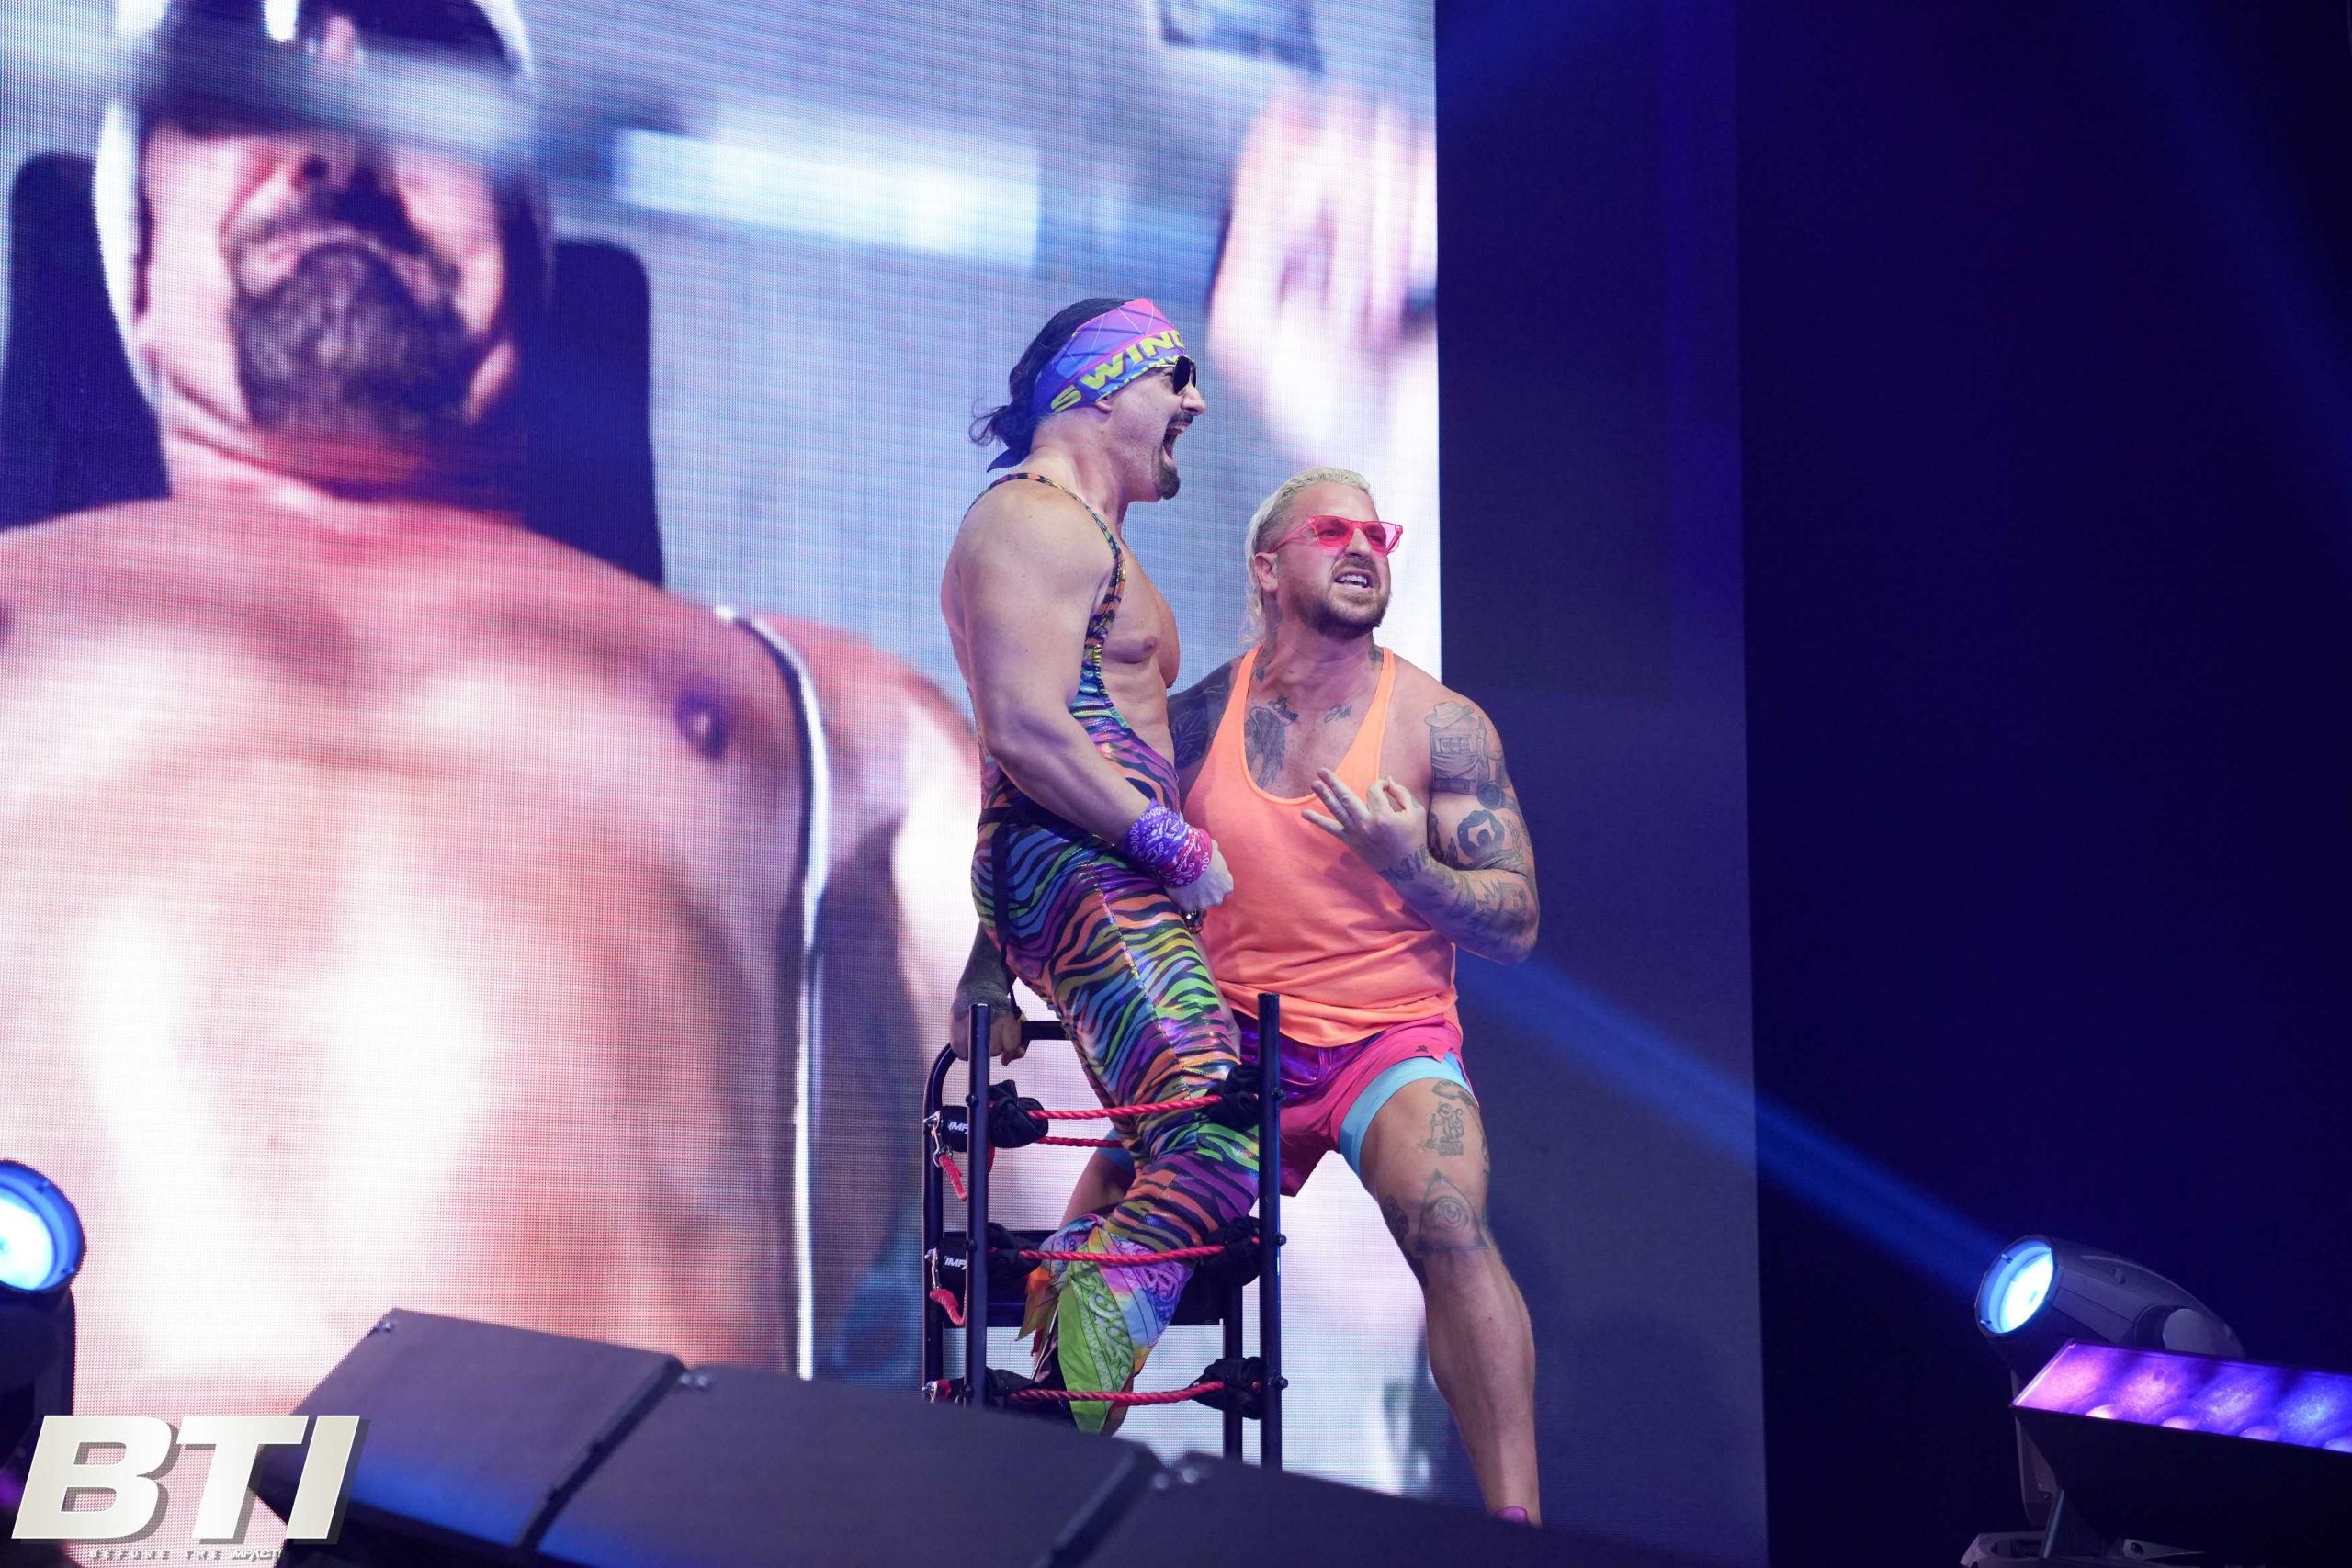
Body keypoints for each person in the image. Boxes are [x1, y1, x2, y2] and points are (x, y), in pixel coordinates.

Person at [0, 0, 976, 1441]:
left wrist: (1343, 439)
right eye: (240, 79)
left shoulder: (830, 723)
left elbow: (1265, 1185)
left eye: (418, 69)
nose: (338, 139)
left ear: (527, 230)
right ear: (132, 260)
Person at [1051, 467, 1543, 1517]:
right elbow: (1068, 841)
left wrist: (1407, 865)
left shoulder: (1441, 725)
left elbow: (1515, 922)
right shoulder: (1192, 720)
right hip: (1224, 1045)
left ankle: (1521, 1534)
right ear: (1267, 568)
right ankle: (1046, 1511)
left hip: (1386, 1043)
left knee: (1451, 1223)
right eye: (1332, 530)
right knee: (1092, 1253)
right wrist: (988, 971)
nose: (1363, 547)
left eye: (1377, 533)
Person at [940, 297, 1258, 1432]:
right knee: (1216, 1138)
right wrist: (1163, 839)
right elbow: (1026, 733)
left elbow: (1066, 735)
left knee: (1159, 1140)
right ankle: (1069, 1406)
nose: (1195, 402)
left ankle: (1056, 1407)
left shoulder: (1084, 533)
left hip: (1088, 870)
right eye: (1174, 376)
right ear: (1101, 388)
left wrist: (991, 955)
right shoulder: (1032, 519)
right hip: (1085, 866)